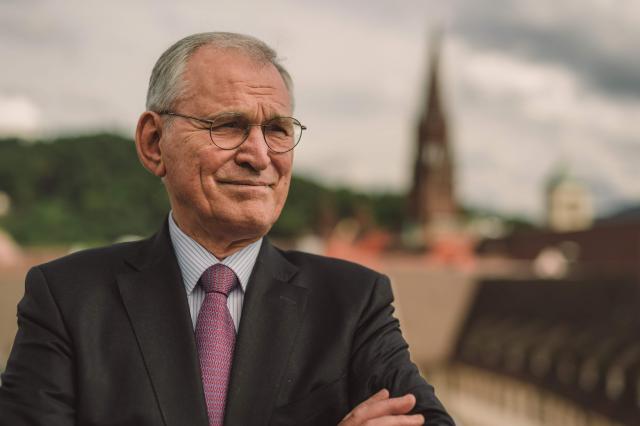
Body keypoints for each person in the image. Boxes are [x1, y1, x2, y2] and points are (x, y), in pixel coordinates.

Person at [0, 32, 455, 426]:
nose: (259, 155)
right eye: (229, 125)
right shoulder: (67, 299)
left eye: (277, 129)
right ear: (154, 143)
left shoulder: (353, 302)